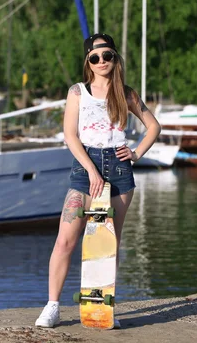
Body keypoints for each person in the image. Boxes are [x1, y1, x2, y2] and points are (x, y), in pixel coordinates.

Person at [35, 33, 161, 328]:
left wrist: (137, 153)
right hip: (84, 170)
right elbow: (70, 135)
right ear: (88, 62)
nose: (102, 61)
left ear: (116, 59)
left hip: (119, 170)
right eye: (95, 57)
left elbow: (154, 126)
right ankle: (52, 306)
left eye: (108, 56)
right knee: (65, 240)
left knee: (108, 245)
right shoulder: (77, 92)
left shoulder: (126, 94)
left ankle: (104, 309)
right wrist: (91, 170)